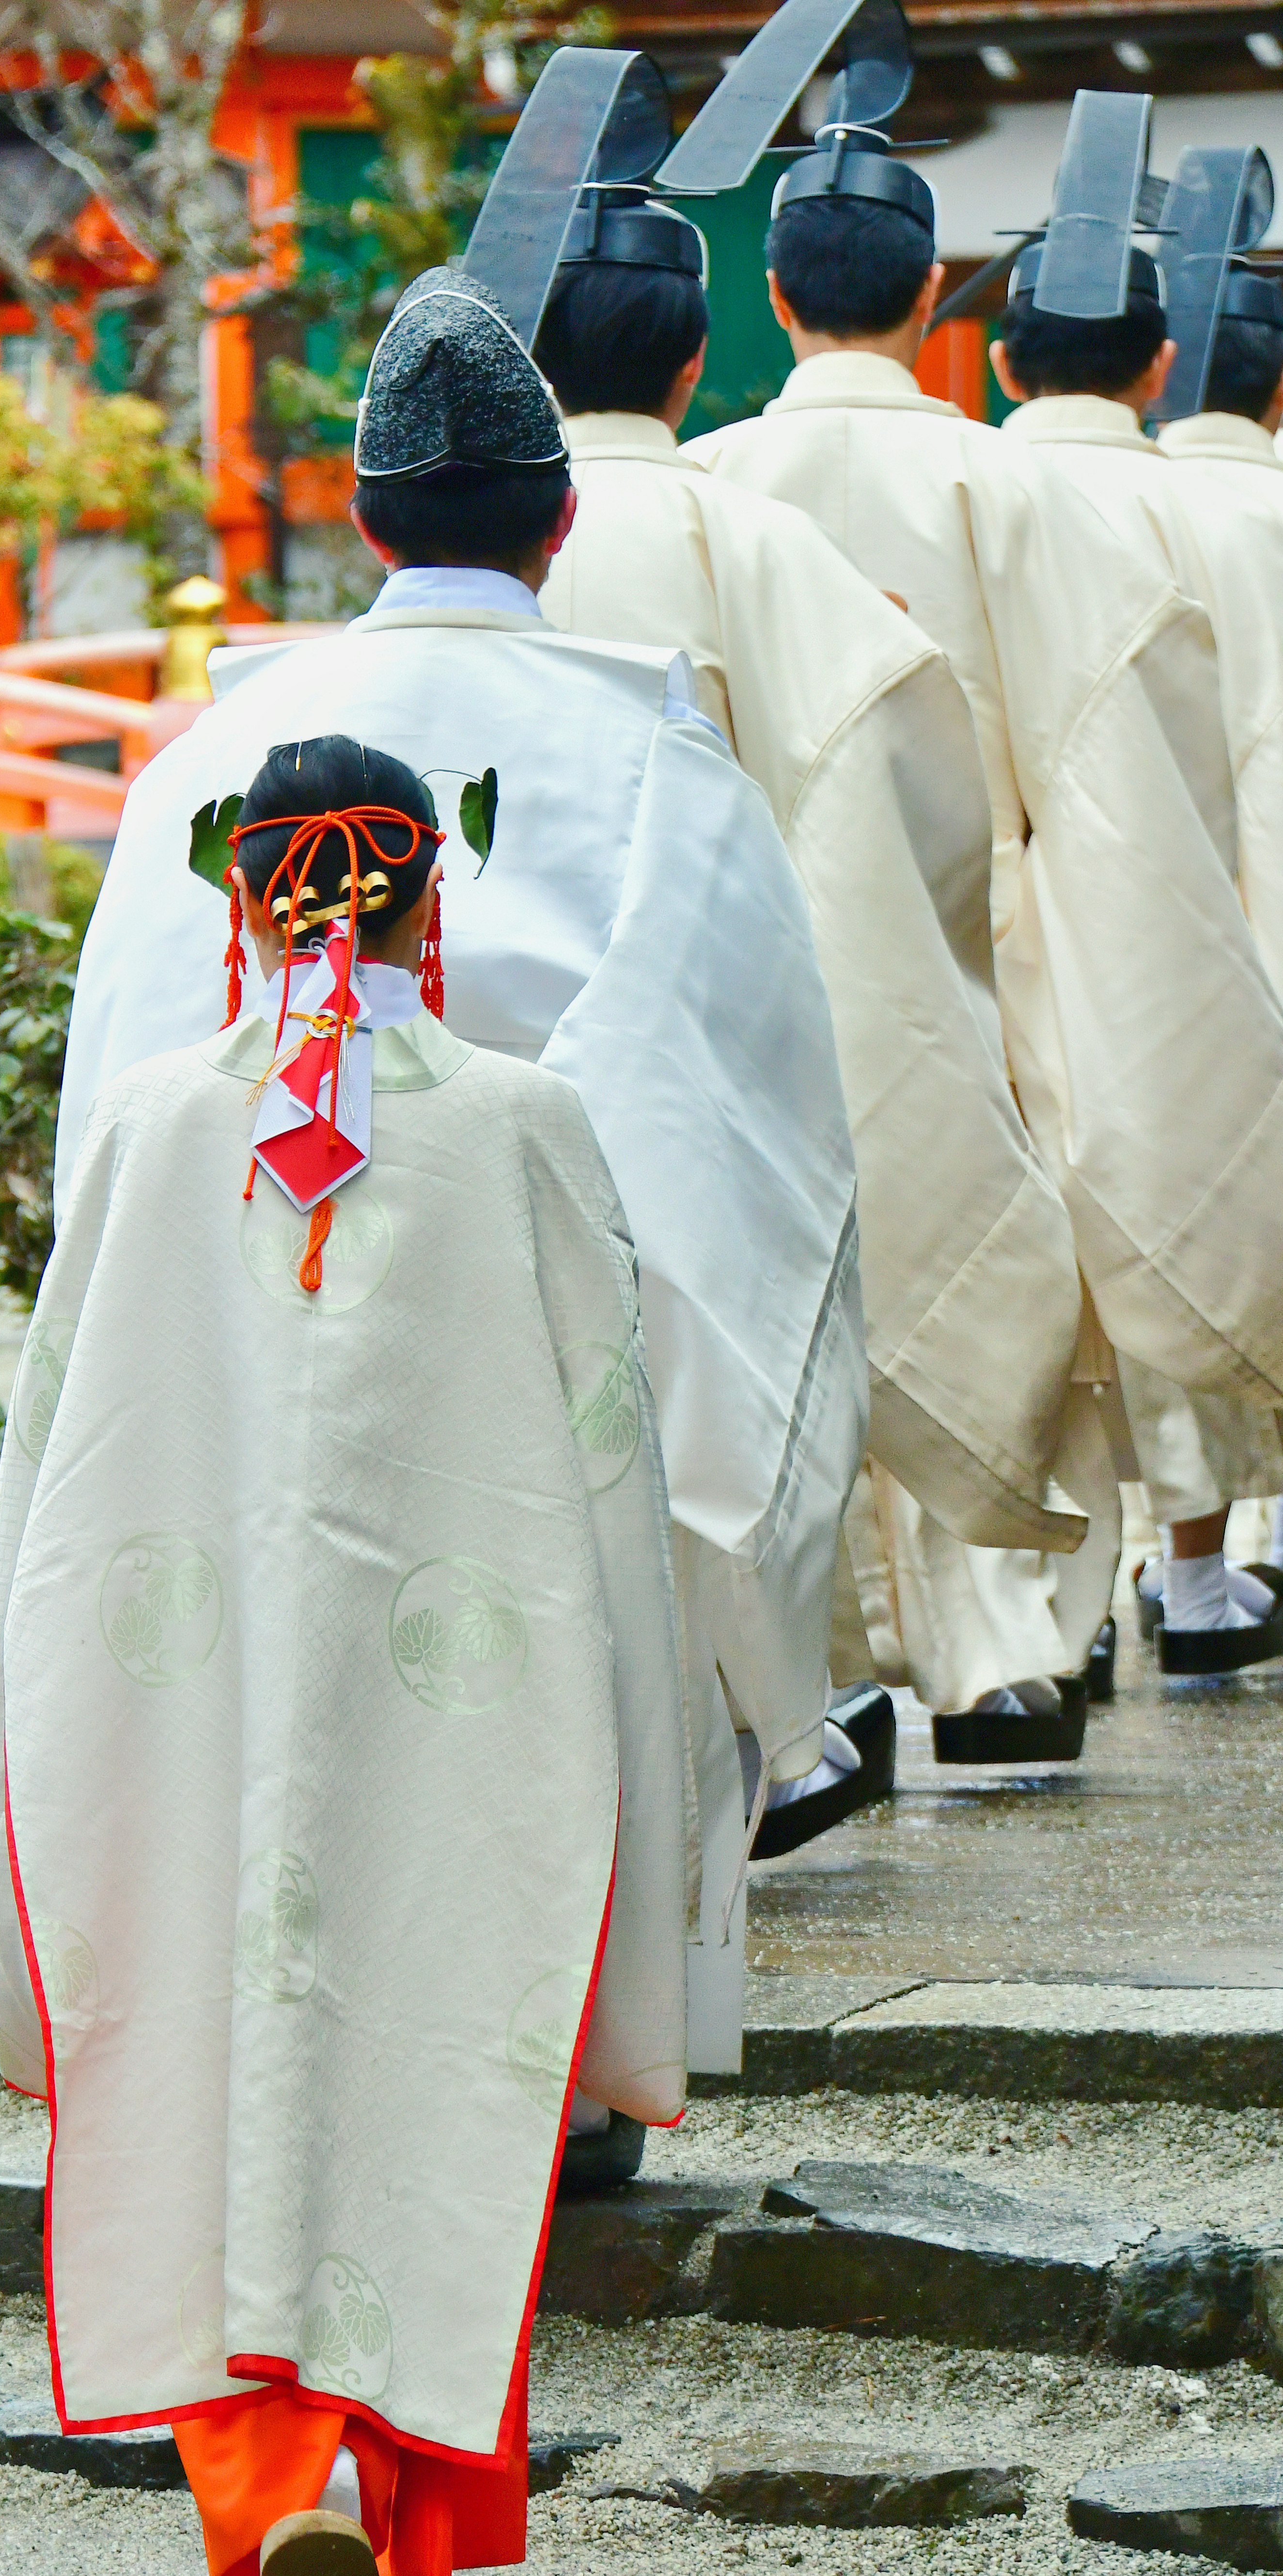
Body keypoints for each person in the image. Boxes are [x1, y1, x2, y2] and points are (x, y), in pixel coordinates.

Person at [59, 262, 871, 2086]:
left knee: (279, 1682)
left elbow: (116, 1102)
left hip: (269, 1296)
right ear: (565, 516)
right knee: (569, 1673)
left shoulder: (205, 756)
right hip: (550, 1332)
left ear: (356, 518)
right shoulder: (659, 748)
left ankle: (270, 2072)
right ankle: (569, 2073)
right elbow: (751, 1125)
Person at [0, 734, 697, 2576]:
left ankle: (298, 2496)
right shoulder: (523, 1126)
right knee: (437, 2050)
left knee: (227, 2051)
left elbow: (55, 1465)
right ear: (420, 901)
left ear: (240, 895)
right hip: (465, 1697)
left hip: (181, 1699)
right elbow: (617, 1457)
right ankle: (409, 2525)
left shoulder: (137, 1128)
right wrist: (648, 1729)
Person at [690, 110, 1283, 1709]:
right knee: (1005, 1267)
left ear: (774, 290)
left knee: (795, 1294)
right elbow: (1116, 734)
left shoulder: (705, 489)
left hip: (754, 967)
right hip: (985, 938)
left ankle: (830, 1675)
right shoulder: (1005, 484)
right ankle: (1021, 1641)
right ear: (932, 289)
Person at [531, 195, 1095, 1768]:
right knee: (873, 1273)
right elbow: (908, 761)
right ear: (706, 339)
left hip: (543, 1023)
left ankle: (748, 1697)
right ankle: (979, 1655)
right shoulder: (740, 527)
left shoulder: (529, 538)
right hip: (769, 981)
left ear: (772, 308)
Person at [984, 209, 1283, 1668]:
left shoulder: (954, 481)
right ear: (1159, 367)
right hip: (1164, 893)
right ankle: (1193, 1561)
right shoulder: (1183, 507)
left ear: (986, 355)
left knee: (1001, 1228)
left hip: (965, 898)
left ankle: (1040, 1596)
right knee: (1169, 1204)